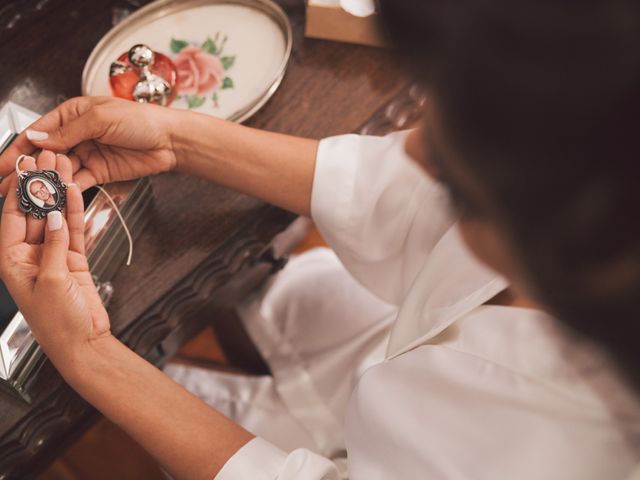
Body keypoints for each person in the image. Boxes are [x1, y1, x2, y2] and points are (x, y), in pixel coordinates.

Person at [0, 1, 639, 479]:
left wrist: (87, 355)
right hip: (386, 345)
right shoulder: (592, 168)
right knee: (287, 297)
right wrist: (174, 138)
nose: (411, 149)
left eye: (450, 162)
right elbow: (389, 190)